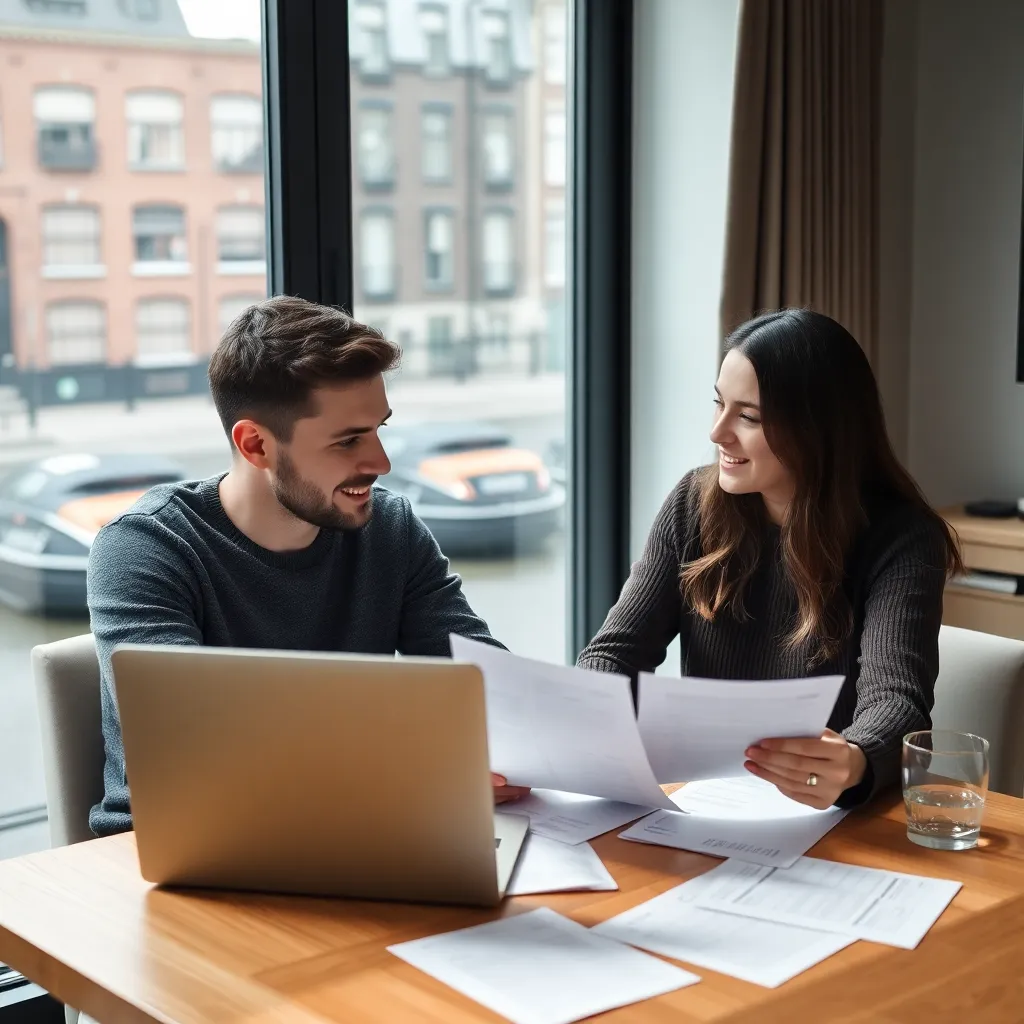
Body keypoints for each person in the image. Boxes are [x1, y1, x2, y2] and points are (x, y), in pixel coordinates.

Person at [87, 295, 526, 838]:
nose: (381, 463)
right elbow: (194, 750)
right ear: (255, 445)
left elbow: (485, 685)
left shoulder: (388, 527)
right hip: (179, 853)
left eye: (379, 429)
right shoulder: (146, 549)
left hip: (359, 829)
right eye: (348, 441)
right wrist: (417, 770)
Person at [578, 309, 962, 810]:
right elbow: (615, 654)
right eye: (719, 404)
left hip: (825, 814)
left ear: (817, 429)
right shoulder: (692, 504)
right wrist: (582, 721)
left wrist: (857, 757)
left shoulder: (901, 538)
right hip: (704, 800)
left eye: (749, 417)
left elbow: (897, 702)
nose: (718, 433)